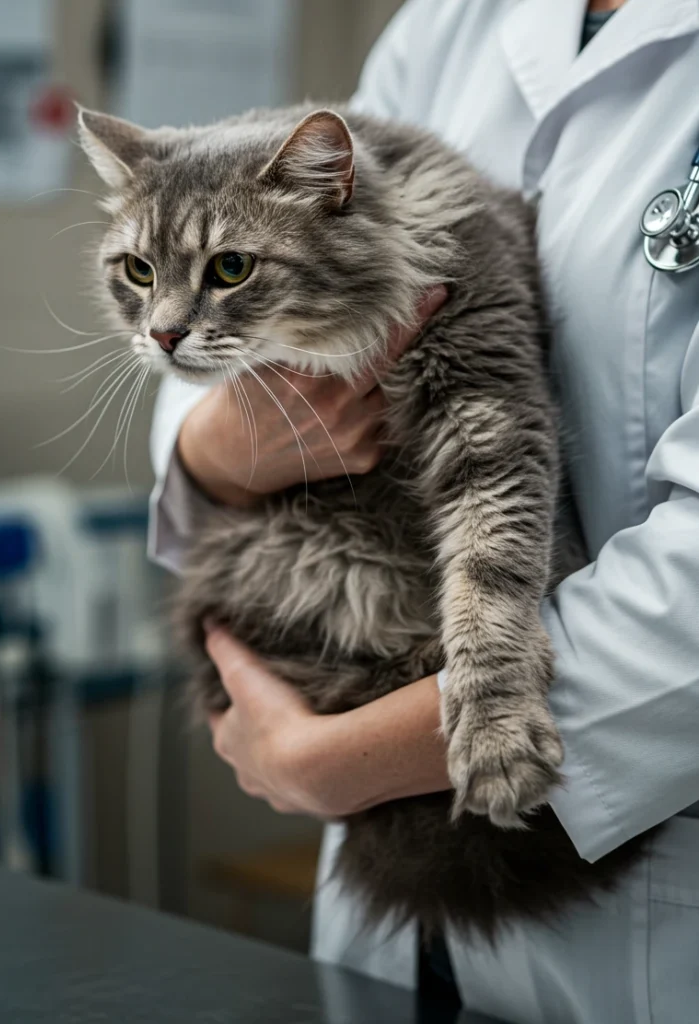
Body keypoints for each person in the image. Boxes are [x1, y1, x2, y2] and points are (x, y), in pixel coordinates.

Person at [149, 1, 699, 1020]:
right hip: (388, 937)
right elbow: (229, 301)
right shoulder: (450, 22)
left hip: (645, 902)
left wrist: (340, 761)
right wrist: (217, 448)